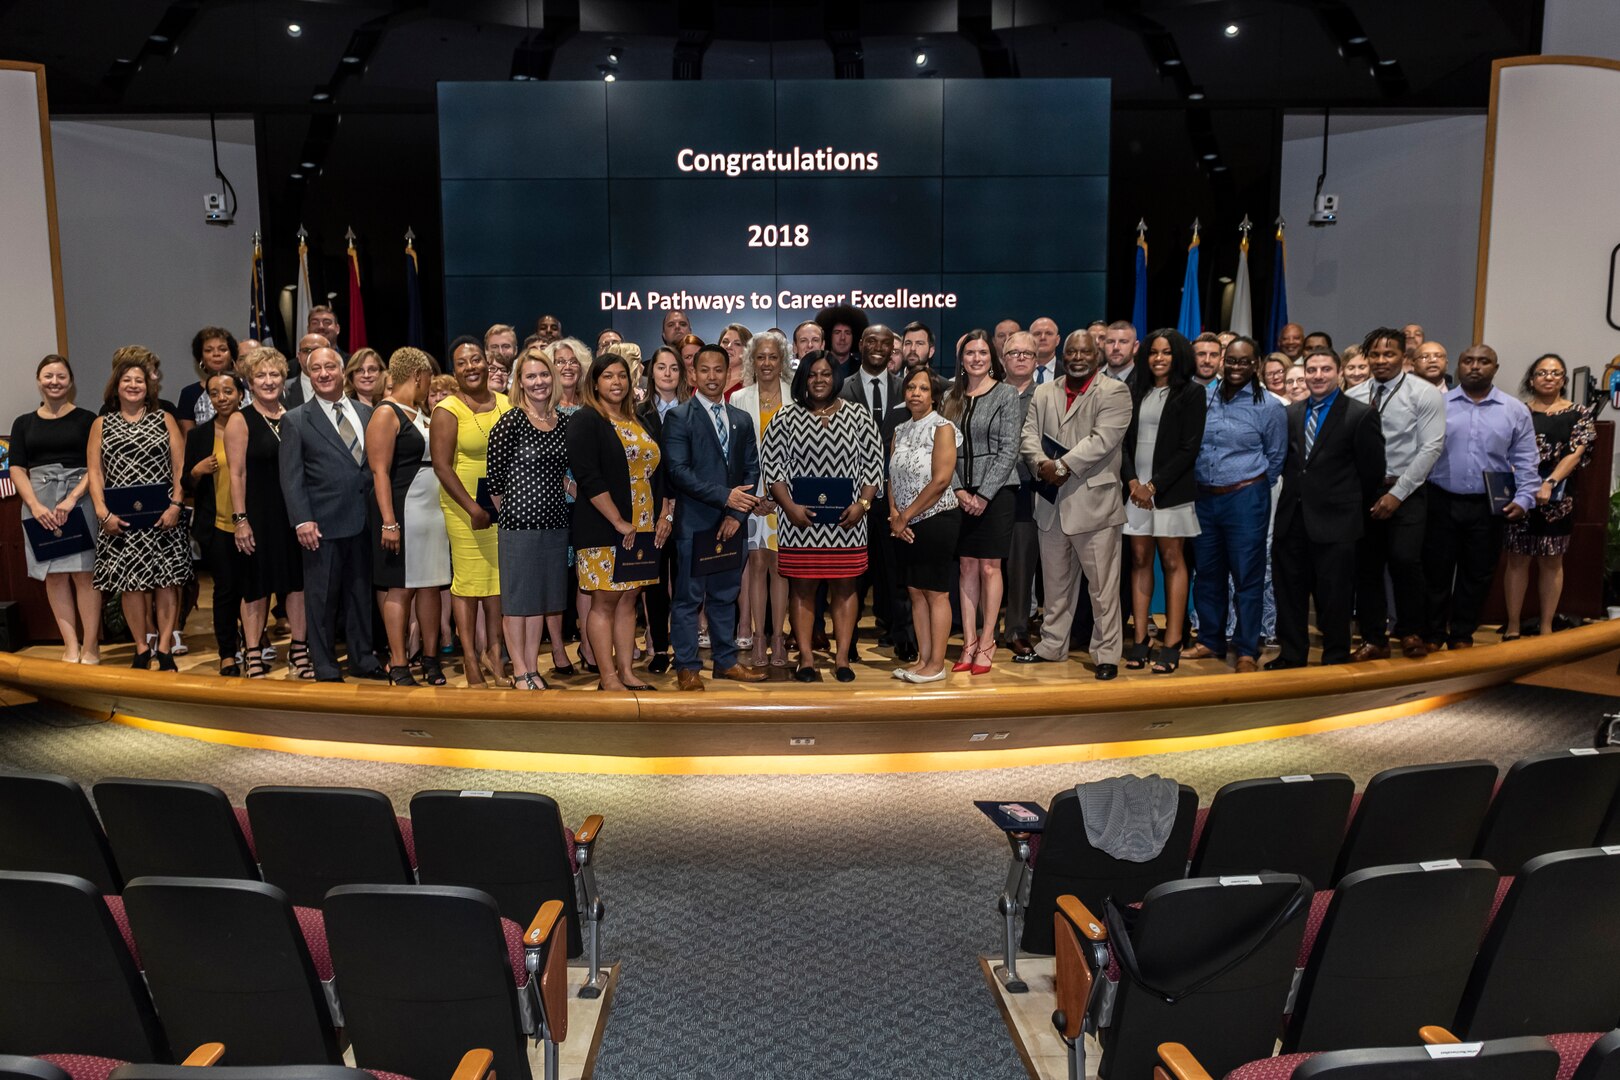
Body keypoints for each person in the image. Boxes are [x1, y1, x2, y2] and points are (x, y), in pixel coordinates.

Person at [760, 350, 883, 683]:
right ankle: (807, 659)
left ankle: (842, 658)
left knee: (845, 588)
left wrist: (863, 505)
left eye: (825, 374)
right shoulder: (785, 418)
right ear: (804, 378)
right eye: (812, 374)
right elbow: (773, 470)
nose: (819, 380)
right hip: (800, 522)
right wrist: (790, 508)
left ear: (835, 377)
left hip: (848, 522)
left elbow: (873, 466)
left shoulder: (859, 416)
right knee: (802, 589)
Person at [1014, 330, 1132, 677]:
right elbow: (1028, 435)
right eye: (1072, 352)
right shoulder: (1045, 391)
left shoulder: (1115, 391)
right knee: (1054, 586)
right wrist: (1040, 464)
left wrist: (1062, 466)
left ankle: (1107, 654)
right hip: (1051, 504)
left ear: (1097, 355)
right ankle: (1052, 645)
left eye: (1085, 351)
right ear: (1064, 355)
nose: (1078, 357)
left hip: (1094, 504)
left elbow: (1103, 440)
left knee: (1103, 589)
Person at [1266, 350, 1385, 669]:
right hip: (1292, 519)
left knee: (1335, 597)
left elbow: (1372, 472)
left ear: (1340, 373)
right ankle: (1292, 654)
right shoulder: (1290, 414)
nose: (1318, 375)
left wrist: (1347, 509)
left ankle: (1334, 656)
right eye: (1312, 369)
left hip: (1338, 522)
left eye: (1325, 369)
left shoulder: (1360, 415)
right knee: (1289, 592)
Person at [1421, 344, 1540, 651]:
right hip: (1440, 500)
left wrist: (1525, 498)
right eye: (1468, 361)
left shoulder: (1514, 410)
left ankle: (1461, 635)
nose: (1475, 366)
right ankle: (1432, 635)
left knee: (1477, 574)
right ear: (1458, 366)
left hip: (1489, 505)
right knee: (1435, 571)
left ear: (1495, 368)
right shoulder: (1438, 404)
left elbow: (1527, 459)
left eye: (1483, 361)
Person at [567, 351, 671, 691]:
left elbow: (659, 472)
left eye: (622, 376)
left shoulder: (640, 420)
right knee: (605, 600)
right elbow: (588, 477)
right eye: (609, 376)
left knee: (629, 600)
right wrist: (617, 521)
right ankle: (608, 676)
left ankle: (626, 672)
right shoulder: (587, 420)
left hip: (642, 526)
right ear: (595, 383)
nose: (617, 382)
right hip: (604, 526)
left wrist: (662, 516)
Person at [664, 344, 767, 690]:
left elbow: (752, 469)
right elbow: (678, 472)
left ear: (728, 373)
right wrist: (725, 497)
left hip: (732, 525)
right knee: (688, 599)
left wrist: (737, 513)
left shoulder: (741, 419)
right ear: (693, 374)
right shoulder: (679, 417)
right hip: (694, 524)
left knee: (725, 595)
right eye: (704, 370)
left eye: (718, 370)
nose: (712, 376)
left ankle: (725, 662)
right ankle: (687, 666)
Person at [1183, 337, 1286, 674]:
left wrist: (1249, 486)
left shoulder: (1269, 406)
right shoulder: (1204, 397)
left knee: (1247, 575)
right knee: (1208, 573)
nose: (1237, 367)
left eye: (1246, 362)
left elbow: (1275, 458)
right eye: (1233, 361)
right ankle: (1211, 639)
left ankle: (1245, 647)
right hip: (1204, 497)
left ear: (1256, 364)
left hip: (1245, 497)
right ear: (1223, 362)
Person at [280, 346, 383, 682]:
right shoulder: (295, 420)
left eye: (329, 367)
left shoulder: (367, 413)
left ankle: (362, 659)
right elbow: (291, 477)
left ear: (343, 371)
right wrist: (302, 519)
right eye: (316, 368)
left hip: (365, 521)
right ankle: (324, 663)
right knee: (322, 599)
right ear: (309, 375)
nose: (323, 373)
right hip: (321, 525)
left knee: (360, 594)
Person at [1345, 327, 1446, 661]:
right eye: (1374, 354)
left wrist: (1397, 495)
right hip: (1364, 493)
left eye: (1389, 354)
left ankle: (1411, 631)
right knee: (1366, 567)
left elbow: (1431, 448)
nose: (1381, 360)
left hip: (1408, 491)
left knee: (1405, 561)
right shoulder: (1354, 395)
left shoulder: (1424, 393)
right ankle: (1374, 638)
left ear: (1405, 357)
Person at [87, 350, 190, 671]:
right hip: (121, 521)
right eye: (126, 380)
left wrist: (176, 505)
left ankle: (165, 648)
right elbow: (95, 473)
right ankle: (142, 648)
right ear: (115, 386)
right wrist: (103, 514)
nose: (133, 385)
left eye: (139, 381)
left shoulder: (165, 419)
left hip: (164, 518)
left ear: (149, 387)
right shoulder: (101, 423)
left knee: (167, 583)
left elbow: (180, 467)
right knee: (131, 586)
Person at [486, 347, 574, 690]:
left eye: (543, 375)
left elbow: (565, 474)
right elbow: (495, 483)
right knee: (518, 602)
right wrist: (517, 509)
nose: (539, 382)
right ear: (519, 383)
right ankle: (520, 670)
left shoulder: (562, 422)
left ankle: (534, 667)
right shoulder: (510, 421)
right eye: (531, 376)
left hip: (555, 523)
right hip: (518, 526)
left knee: (541, 600)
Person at [1121, 329, 1207, 674]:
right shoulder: (1135, 390)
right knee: (1140, 558)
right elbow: (1123, 443)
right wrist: (1133, 483)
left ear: (1178, 356)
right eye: (1154, 352)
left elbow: (1190, 448)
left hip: (1170, 491)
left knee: (1172, 560)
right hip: (1134, 490)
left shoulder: (1191, 393)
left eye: (1166, 352)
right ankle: (1141, 639)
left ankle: (1172, 641)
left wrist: (1153, 486)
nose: (1159, 358)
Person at [366, 347, 450, 686]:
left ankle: (430, 659)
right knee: (400, 589)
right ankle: (398, 664)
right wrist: (389, 521)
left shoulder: (423, 414)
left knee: (430, 587)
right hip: (402, 510)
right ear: (418, 375)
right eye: (429, 378)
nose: (430, 385)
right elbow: (379, 472)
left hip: (432, 512)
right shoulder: (385, 414)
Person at [431, 336, 512, 687]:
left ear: (487, 362)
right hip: (464, 507)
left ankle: (495, 652)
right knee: (468, 584)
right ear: (454, 370)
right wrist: (472, 508)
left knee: (497, 584)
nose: (471, 367)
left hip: (502, 507)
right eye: (462, 363)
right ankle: (469, 657)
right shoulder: (448, 409)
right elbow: (441, 466)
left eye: (476, 360)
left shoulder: (508, 404)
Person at [10, 356, 100, 663]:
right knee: (55, 577)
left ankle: (90, 646)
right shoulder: (24, 423)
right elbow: (17, 468)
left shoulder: (88, 419)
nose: (54, 381)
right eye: (48, 376)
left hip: (79, 500)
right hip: (39, 504)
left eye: (61, 376)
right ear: (39, 380)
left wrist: (72, 498)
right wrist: (34, 504)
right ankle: (70, 645)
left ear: (71, 382)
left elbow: (95, 465)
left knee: (84, 574)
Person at [1501, 353, 1596, 639]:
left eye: (1555, 373)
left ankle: (1546, 627)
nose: (1549, 377)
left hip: (1558, 498)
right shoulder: (1518, 410)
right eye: (1542, 373)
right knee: (1516, 558)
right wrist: (1527, 485)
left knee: (1551, 561)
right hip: (1519, 493)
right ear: (1531, 379)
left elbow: (1576, 453)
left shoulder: (1579, 412)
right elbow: (1504, 450)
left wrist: (1549, 483)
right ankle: (1514, 627)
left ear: (1564, 380)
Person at [226, 347, 307, 679]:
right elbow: (236, 474)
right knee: (256, 587)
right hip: (257, 515)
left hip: (293, 514)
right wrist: (241, 520)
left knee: (297, 584)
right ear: (249, 381)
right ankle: (254, 652)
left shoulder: (295, 416)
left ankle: (299, 651)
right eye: (261, 375)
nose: (269, 381)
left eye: (275, 374)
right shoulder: (239, 420)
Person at [942, 329, 1020, 675]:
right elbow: (942, 450)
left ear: (993, 359)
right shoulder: (949, 397)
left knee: (990, 567)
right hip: (958, 493)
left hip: (997, 493)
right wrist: (959, 491)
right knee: (966, 567)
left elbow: (1008, 450)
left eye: (982, 353)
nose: (976, 358)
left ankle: (988, 640)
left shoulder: (1005, 394)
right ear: (961, 359)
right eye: (970, 353)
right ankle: (969, 641)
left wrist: (984, 495)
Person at [840, 325, 912, 660]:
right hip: (853, 497)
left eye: (886, 344)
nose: (879, 348)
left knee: (897, 571)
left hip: (896, 496)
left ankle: (902, 637)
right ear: (860, 345)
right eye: (872, 342)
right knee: (852, 574)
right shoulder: (842, 387)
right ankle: (848, 640)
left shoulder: (907, 390)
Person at [886, 367, 961, 683]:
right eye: (911, 387)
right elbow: (892, 476)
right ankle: (922, 659)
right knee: (915, 591)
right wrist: (894, 514)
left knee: (935, 593)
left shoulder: (943, 428)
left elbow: (941, 480)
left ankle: (937, 663)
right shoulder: (900, 430)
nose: (916, 393)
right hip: (904, 524)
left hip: (936, 519)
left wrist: (906, 515)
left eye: (923, 388)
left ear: (934, 395)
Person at [731, 331, 792, 674]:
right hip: (751, 498)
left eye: (773, 357)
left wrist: (778, 496)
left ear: (782, 361)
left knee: (781, 567)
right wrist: (754, 496)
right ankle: (757, 636)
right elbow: (737, 455)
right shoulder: (740, 399)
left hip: (786, 499)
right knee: (756, 565)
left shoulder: (795, 399)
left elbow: (801, 454)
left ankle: (779, 637)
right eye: (760, 357)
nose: (766, 363)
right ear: (751, 361)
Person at [182, 370, 246, 674]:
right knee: (225, 590)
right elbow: (185, 482)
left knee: (253, 588)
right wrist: (196, 471)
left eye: (228, 392)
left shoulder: (253, 428)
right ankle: (227, 653)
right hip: (216, 526)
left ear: (241, 394)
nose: (222, 398)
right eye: (215, 393)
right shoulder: (198, 435)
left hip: (252, 524)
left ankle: (255, 645)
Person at [636, 346, 688, 673]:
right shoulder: (637, 413)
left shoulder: (692, 411)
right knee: (654, 586)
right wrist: (660, 513)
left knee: (684, 586)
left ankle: (684, 650)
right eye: (661, 367)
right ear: (651, 373)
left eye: (674, 368)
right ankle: (659, 649)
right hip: (649, 510)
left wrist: (671, 511)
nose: (667, 373)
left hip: (686, 511)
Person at [999, 332, 1042, 658]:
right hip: (987, 491)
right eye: (1014, 352)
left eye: (1028, 353)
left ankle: (1016, 628)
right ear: (1003, 358)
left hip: (1027, 490)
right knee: (984, 565)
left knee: (1021, 567)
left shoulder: (1046, 396)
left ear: (1037, 360)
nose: (1021, 357)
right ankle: (982, 629)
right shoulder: (989, 393)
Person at [176, 327, 240, 434]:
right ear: (201, 358)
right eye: (208, 350)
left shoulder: (249, 389)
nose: (216, 354)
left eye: (223, 349)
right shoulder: (189, 394)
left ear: (231, 355)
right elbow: (188, 442)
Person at [815, 304, 868, 378]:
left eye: (847, 333)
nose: (842, 338)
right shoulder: (815, 368)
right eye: (837, 332)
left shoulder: (864, 369)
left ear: (855, 337)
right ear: (828, 336)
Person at [283, 333, 327, 407]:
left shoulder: (344, 387)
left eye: (318, 350)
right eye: (306, 350)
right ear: (299, 357)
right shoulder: (283, 389)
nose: (311, 355)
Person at [717, 323, 752, 399]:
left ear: (748, 350)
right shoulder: (705, 380)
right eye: (725, 342)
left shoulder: (753, 386)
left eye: (737, 344)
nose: (728, 347)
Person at [485, 323, 520, 395]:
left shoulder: (525, 375)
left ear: (515, 350)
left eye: (506, 346)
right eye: (494, 347)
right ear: (486, 350)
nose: (500, 352)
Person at [1030, 317, 1062, 384]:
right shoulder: (1018, 371)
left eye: (1049, 333)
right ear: (1029, 339)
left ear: (1057, 340)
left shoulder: (1068, 373)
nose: (1043, 337)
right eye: (1037, 334)